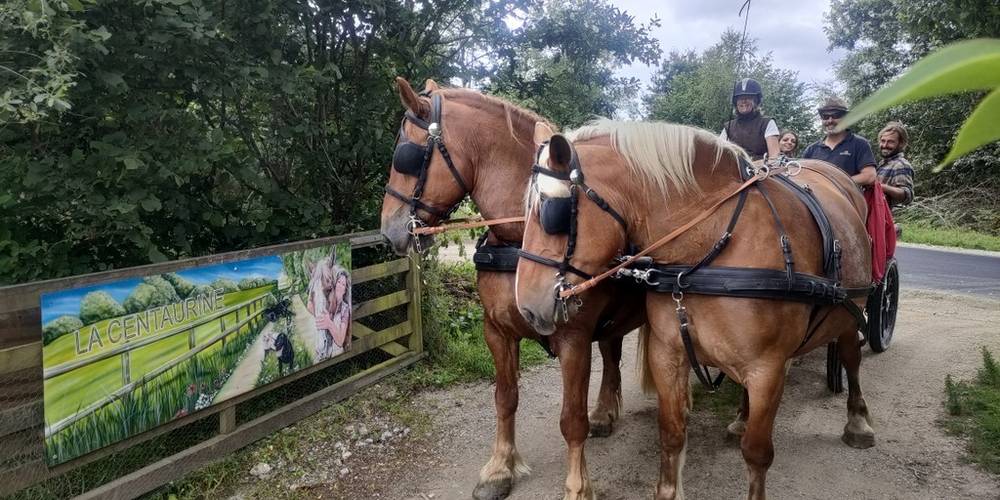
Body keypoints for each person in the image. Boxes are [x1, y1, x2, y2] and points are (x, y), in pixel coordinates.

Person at [801, 97, 877, 187]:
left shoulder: (859, 144)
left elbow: (869, 176)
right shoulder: (811, 149)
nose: (830, 121)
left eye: (835, 116)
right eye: (825, 117)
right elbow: (802, 176)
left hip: (848, 199)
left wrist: (834, 184)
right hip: (815, 199)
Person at [720, 78, 780, 160]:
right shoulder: (728, 126)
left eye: (748, 98)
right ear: (736, 102)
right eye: (740, 98)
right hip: (733, 170)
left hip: (761, 170)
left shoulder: (767, 123)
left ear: (756, 101)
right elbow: (718, 153)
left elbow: (774, 156)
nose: (743, 101)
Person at [876, 121, 915, 207]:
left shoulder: (901, 165)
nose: (885, 145)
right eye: (883, 141)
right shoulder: (883, 163)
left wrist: (880, 187)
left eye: (890, 142)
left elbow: (907, 195)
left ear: (901, 143)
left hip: (888, 217)